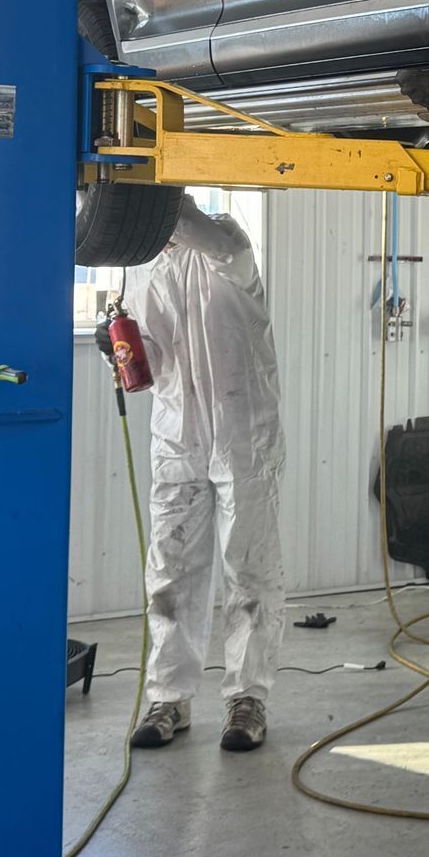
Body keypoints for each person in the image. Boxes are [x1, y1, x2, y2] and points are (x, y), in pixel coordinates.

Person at [127, 193, 287, 753]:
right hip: (177, 436)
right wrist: (117, 348)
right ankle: (168, 698)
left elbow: (202, 234)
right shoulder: (145, 269)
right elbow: (147, 356)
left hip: (243, 435)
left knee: (249, 569)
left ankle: (248, 699)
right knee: (170, 571)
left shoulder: (229, 244)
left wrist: (143, 203)